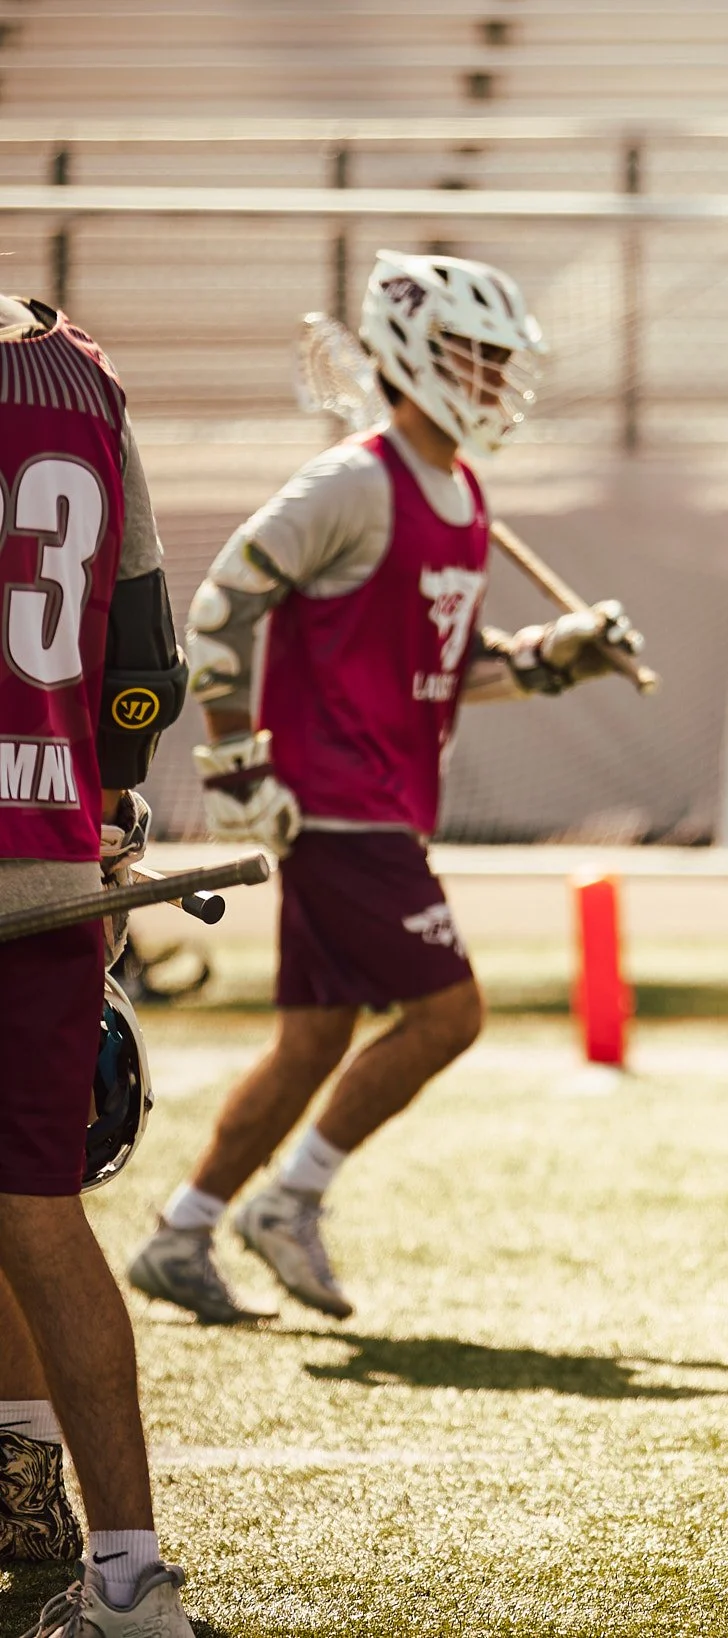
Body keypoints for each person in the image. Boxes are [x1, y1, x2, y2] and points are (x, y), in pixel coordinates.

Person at [127, 252, 643, 1326]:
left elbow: (445, 670)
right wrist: (233, 757)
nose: (498, 378)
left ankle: (181, 1233)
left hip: (383, 796)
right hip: (336, 802)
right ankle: (290, 1201)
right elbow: (222, 606)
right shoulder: (352, 483)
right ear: (415, 354)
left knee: (313, 1038)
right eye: (477, 356)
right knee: (448, 1014)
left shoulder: (457, 492)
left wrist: (556, 655)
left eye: (505, 359)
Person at [0, 294, 201, 1633]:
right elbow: (142, 659)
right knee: (30, 1195)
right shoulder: (78, 376)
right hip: (53, 844)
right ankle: (118, 1570)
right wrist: (109, 809)